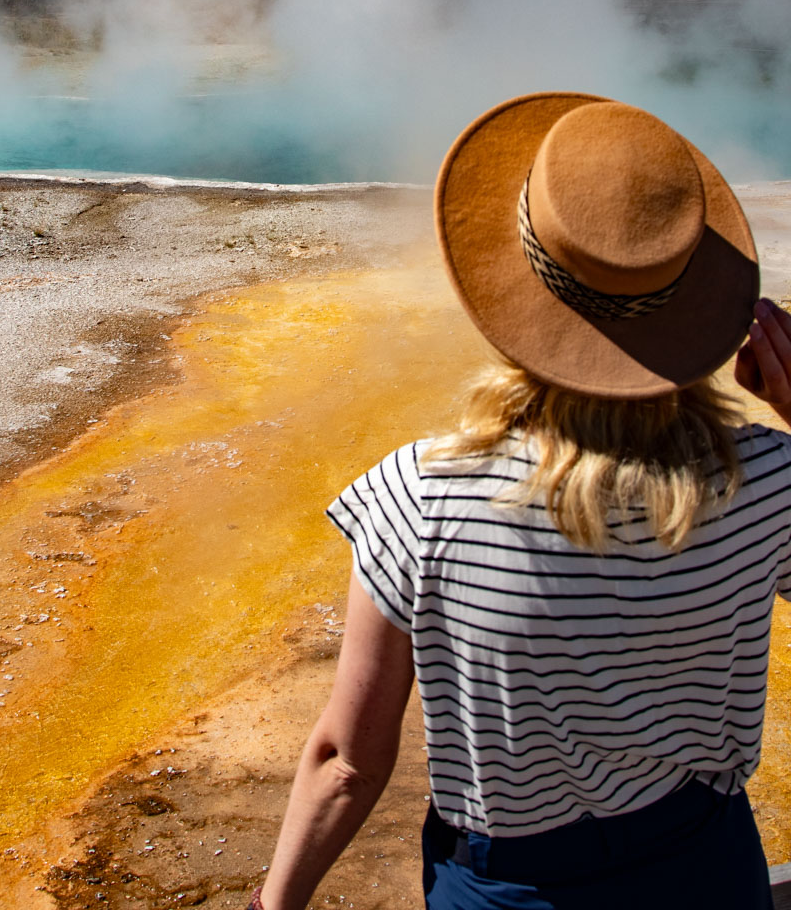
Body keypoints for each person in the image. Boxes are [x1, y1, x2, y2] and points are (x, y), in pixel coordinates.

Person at [245, 93, 791, 910]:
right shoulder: (767, 484)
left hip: (511, 889)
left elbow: (349, 763)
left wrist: (272, 906)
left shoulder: (422, 499)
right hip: (707, 872)